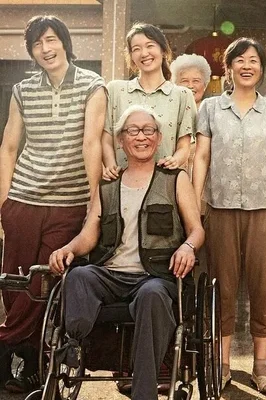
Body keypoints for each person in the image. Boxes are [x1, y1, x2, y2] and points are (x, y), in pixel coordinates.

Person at [48, 105, 204, 400]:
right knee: (78, 276)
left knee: (152, 294)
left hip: (155, 277)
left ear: (159, 138)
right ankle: (75, 346)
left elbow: (196, 230)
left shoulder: (175, 179)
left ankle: (144, 393)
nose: (141, 137)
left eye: (148, 130)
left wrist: (188, 246)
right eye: (133, 131)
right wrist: (67, 248)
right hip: (111, 274)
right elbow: (88, 236)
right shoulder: (108, 185)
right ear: (121, 140)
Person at [0, 15, 106, 393]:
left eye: (50, 40)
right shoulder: (22, 90)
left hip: (68, 203)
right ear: (31, 51)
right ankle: (27, 361)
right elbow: (9, 146)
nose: (45, 49)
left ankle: (7, 344)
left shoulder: (93, 85)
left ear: (64, 41)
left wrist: (94, 198)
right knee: (14, 283)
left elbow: (91, 143)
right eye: (37, 44)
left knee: (44, 280)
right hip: (23, 199)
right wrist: (3, 201)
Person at [192, 37, 266, 394]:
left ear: (261, 68)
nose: (247, 66)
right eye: (240, 60)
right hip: (220, 208)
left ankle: (261, 367)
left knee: (264, 287)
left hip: (264, 209)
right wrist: (196, 204)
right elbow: (202, 156)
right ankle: (222, 365)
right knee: (223, 288)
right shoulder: (211, 109)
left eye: (253, 61)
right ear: (229, 67)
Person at [102, 23, 196, 179]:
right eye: (136, 49)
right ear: (131, 56)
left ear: (163, 50)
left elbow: (184, 146)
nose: (144, 53)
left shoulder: (182, 95)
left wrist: (175, 160)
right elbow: (106, 138)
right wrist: (110, 165)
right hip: (121, 181)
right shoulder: (115, 90)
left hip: (165, 182)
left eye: (150, 46)